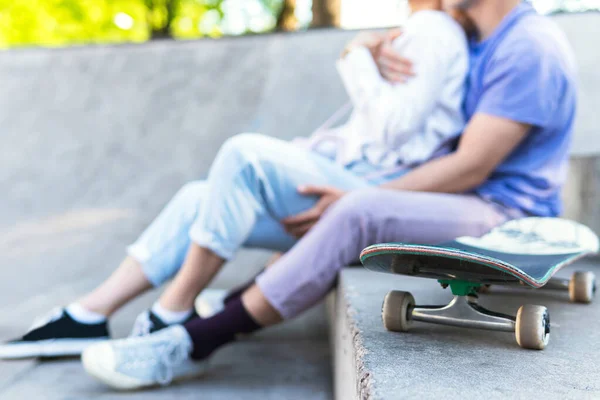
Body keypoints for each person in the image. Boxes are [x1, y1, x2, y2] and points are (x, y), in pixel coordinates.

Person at [78, 0, 578, 390]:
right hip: (458, 197)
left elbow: (472, 165)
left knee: (357, 210)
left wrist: (357, 192)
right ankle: (172, 311)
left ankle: (190, 343)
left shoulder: (528, 47)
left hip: (504, 212)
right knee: (212, 195)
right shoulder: (476, 40)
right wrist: (363, 50)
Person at [0, 0, 471, 360]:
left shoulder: (435, 29)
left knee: (243, 154)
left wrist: (356, 60)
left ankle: (173, 310)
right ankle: (89, 314)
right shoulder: (416, 31)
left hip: (368, 188)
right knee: (196, 197)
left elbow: (395, 129)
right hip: (350, 178)